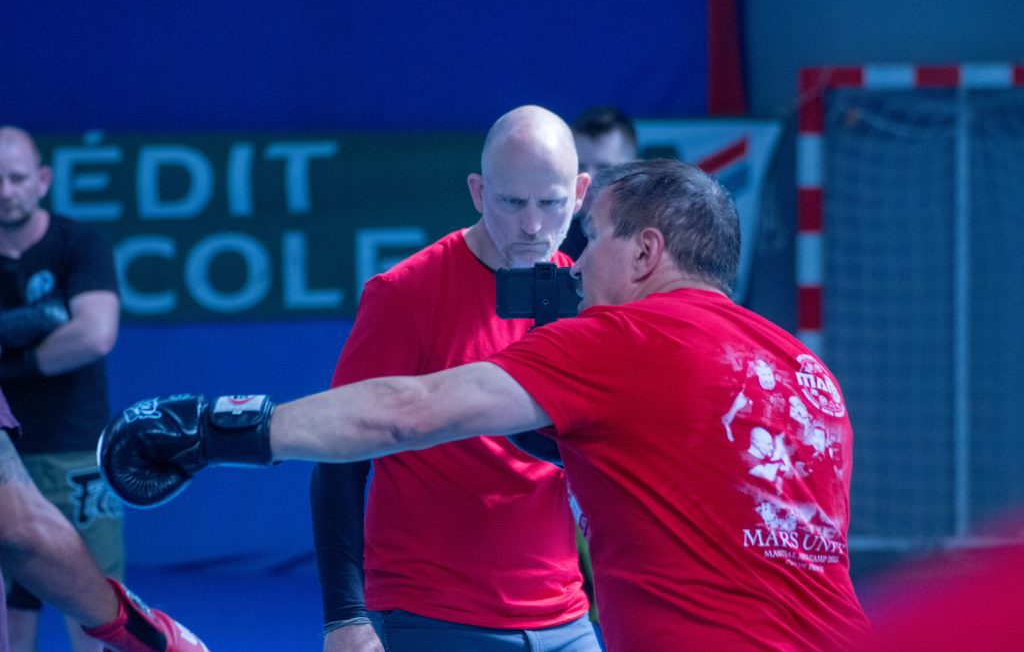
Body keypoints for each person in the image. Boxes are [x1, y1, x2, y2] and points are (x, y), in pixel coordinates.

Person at [100, 159, 874, 650]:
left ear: (645, 252)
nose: (574, 261)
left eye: (593, 236)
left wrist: (213, 429)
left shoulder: (624, 341)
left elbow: (407, 411)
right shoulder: (807, 373)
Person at [308, 105, 597, 651]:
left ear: (580, 193)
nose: (532, 226)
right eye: (512, 202)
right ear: (478, 192)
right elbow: (339, 456)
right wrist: (343, 617)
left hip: (567, 617)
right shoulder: (405, 294)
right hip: (428, 614)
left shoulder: (589, 297)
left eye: (550, 202)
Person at [0, 126, 124, 652]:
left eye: (17, 177)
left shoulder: (80, 243)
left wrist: (10, 363)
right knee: (10, 598)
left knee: (93, 592)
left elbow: (94, 335)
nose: (6, 191)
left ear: (43, 180)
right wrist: (45, 334)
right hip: (4, 449)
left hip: (76, 448)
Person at [0, 388, 208, 651]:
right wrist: (151, 634)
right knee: (43, 601)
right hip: (54, 448)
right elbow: (20, 531)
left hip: (68, 440)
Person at [560, 106, 638, 259]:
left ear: (635, 171)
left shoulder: (663, 244)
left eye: (604, 168)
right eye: (579, 166)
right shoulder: (554, 247)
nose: (588, 178)